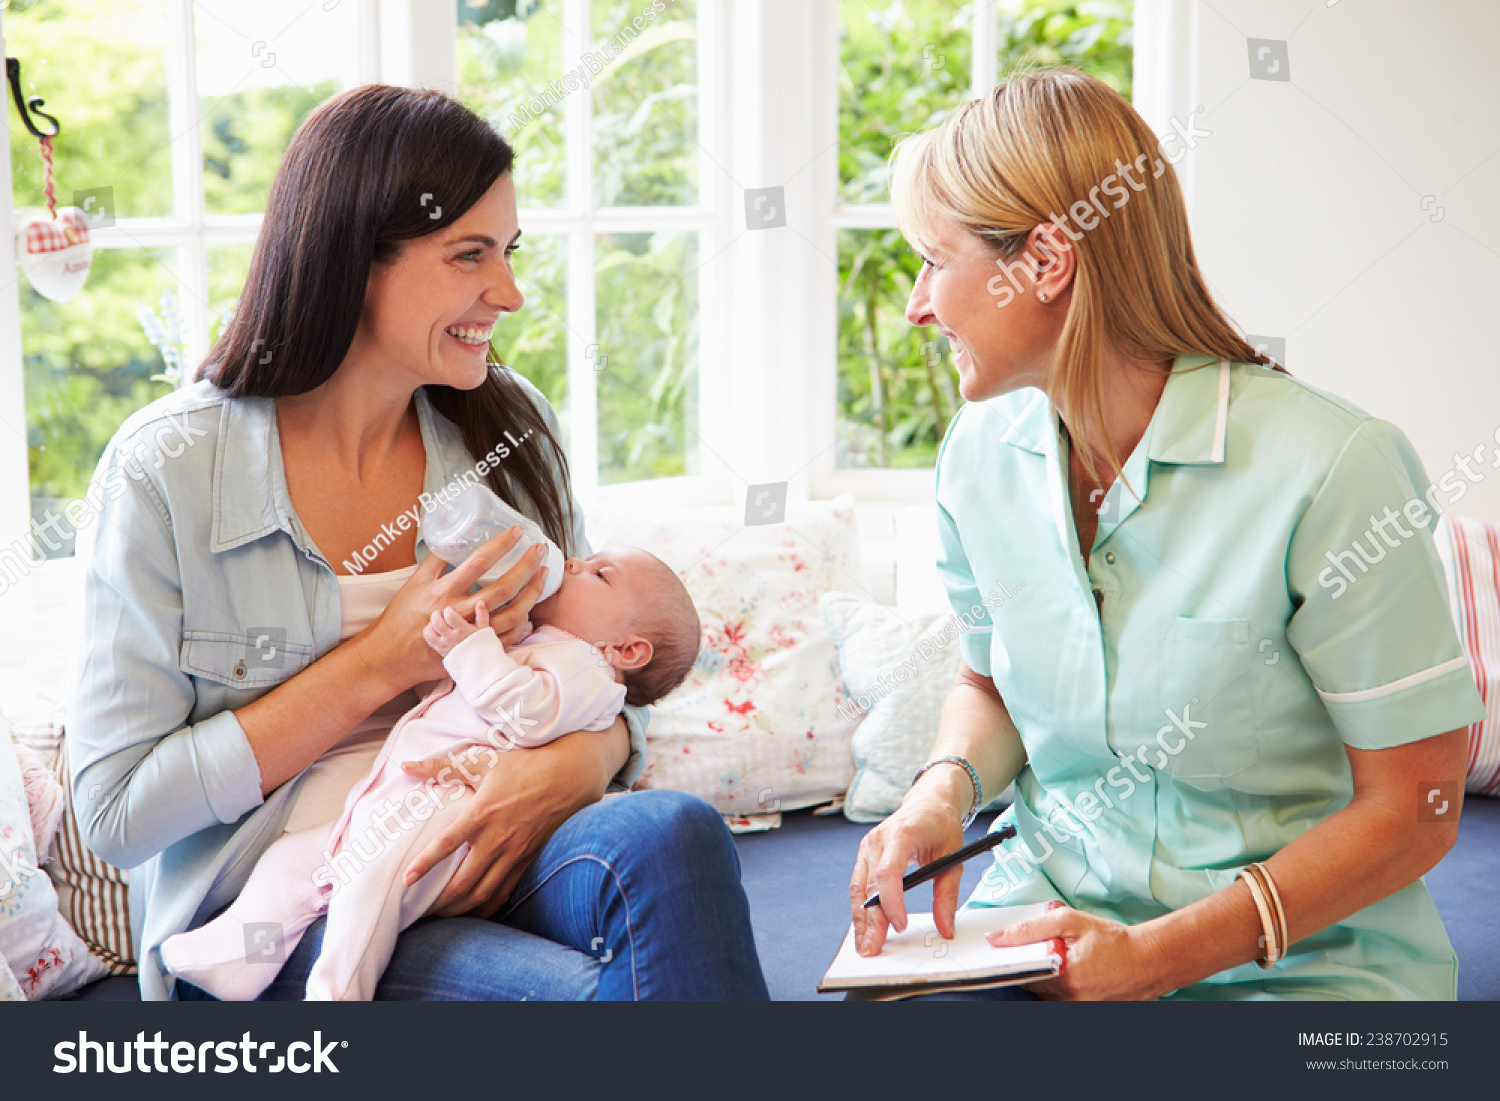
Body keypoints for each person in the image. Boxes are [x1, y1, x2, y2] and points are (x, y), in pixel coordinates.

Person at [69, 84, 768, 1001]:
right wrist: (379, 662)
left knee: (674, 834)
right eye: (469, 254)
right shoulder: (167, 470)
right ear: (354, 258)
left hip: (482, 832)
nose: (509, 293)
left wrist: (575, 761)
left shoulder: (512, 435)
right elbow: (117, 811)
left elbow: (610, 674)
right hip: (288, 905)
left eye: (508, 252)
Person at [848, 69, 1484, 1000]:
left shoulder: (1334, 467)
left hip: (1304, 971)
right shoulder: (976, 457)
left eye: (932, 261)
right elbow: (987, 682)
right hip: (1041, 933)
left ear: (1046, 261)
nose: (916, 304)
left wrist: (1153, 959)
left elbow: (1418, 809)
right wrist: (939, 792)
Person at [160, 548, 702, 1000]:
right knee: (296, 861)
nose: (577, 562)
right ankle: (234, 950)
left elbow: (526, 712)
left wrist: (471, 648)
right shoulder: (540, 645)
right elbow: (447, 697)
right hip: (402, 794)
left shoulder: (585, 668)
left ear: (627, 650)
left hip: (449, 809)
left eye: (601, 574)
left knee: (364, 887)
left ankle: (337, 992)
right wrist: (451, 653)